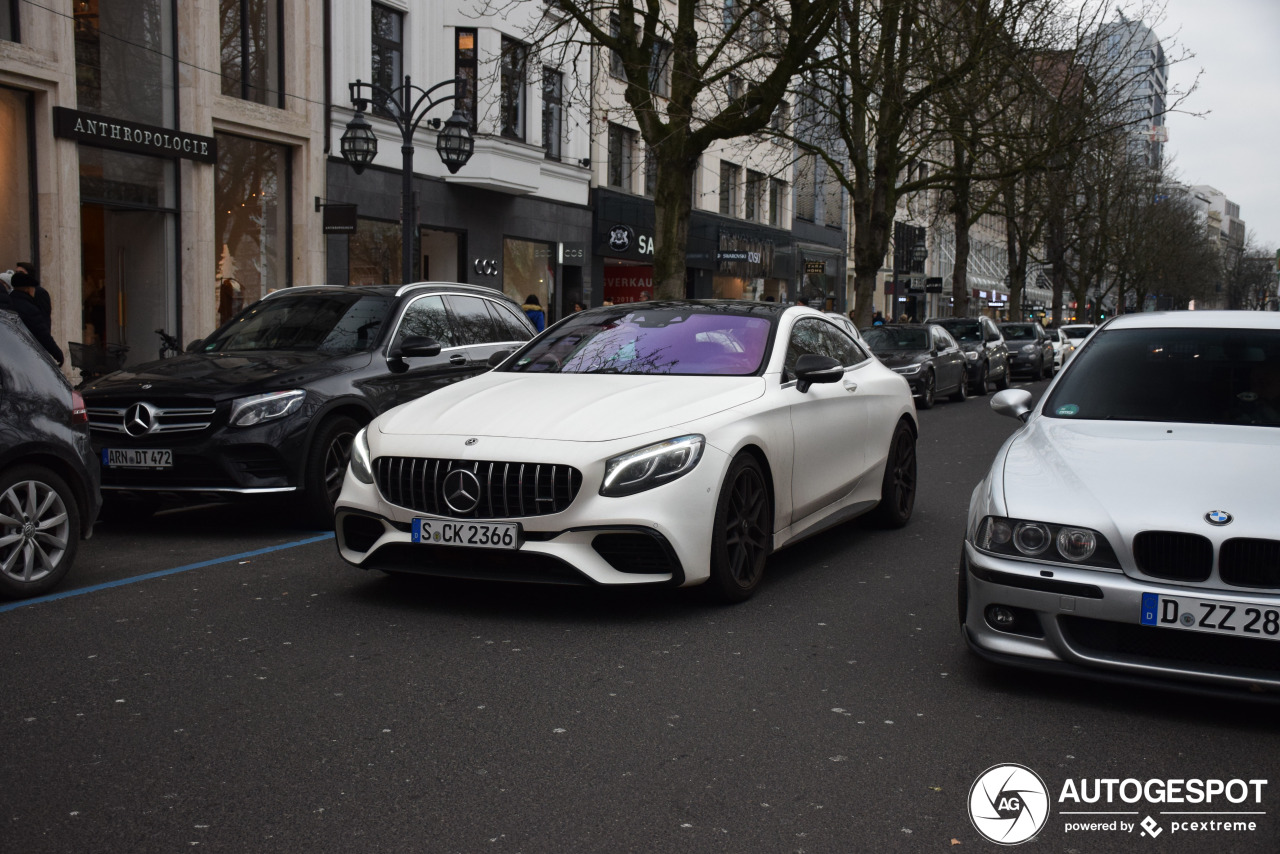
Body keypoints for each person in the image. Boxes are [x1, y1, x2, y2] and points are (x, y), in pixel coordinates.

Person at [10, 270, 63, 365]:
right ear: (28, 289)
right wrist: (58, 354)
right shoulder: (30, 309)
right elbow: (42, 334)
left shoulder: (8, 303)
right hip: (26, 355)